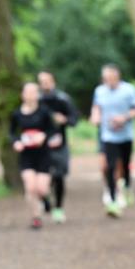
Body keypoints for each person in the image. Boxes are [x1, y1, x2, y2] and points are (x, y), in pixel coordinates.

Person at [90, 64, 135, 218]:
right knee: (110, 166)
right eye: (106, 78)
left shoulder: (129, 90)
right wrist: (95, 116)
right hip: (108, 136)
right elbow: (96, 107)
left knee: (125, 165)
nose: (109, 81)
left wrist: (124, 117)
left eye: (111, 78)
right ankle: (112, 201)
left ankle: (127, 186)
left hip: (126, 135)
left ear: (117, 77)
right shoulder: (99, 91)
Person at [10, 82, 62, 230]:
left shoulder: (44, 112)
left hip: (43, 154)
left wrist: (43, 136)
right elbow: (12, 133)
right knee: (30, 187)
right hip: (26, 155)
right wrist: (16, 143)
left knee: (42, 189)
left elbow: (53, 130)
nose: (30, 95)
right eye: (27, 92)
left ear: (37, 95)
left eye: (33, 92)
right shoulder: (17, 114)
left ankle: (45, 198)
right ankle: (36, 217)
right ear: (23, 95)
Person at [37, 71, 78, 224]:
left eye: (47, 81)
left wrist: (64, 120)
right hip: (41, 146)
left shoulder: (63, 99)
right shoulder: (36, 101)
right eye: (41, 81)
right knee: (41, 179)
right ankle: (46, 201)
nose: (45, 84)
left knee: (59, 176)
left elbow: (74, 120)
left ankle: (58, 208)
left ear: (53, 81)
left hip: (60, 145)